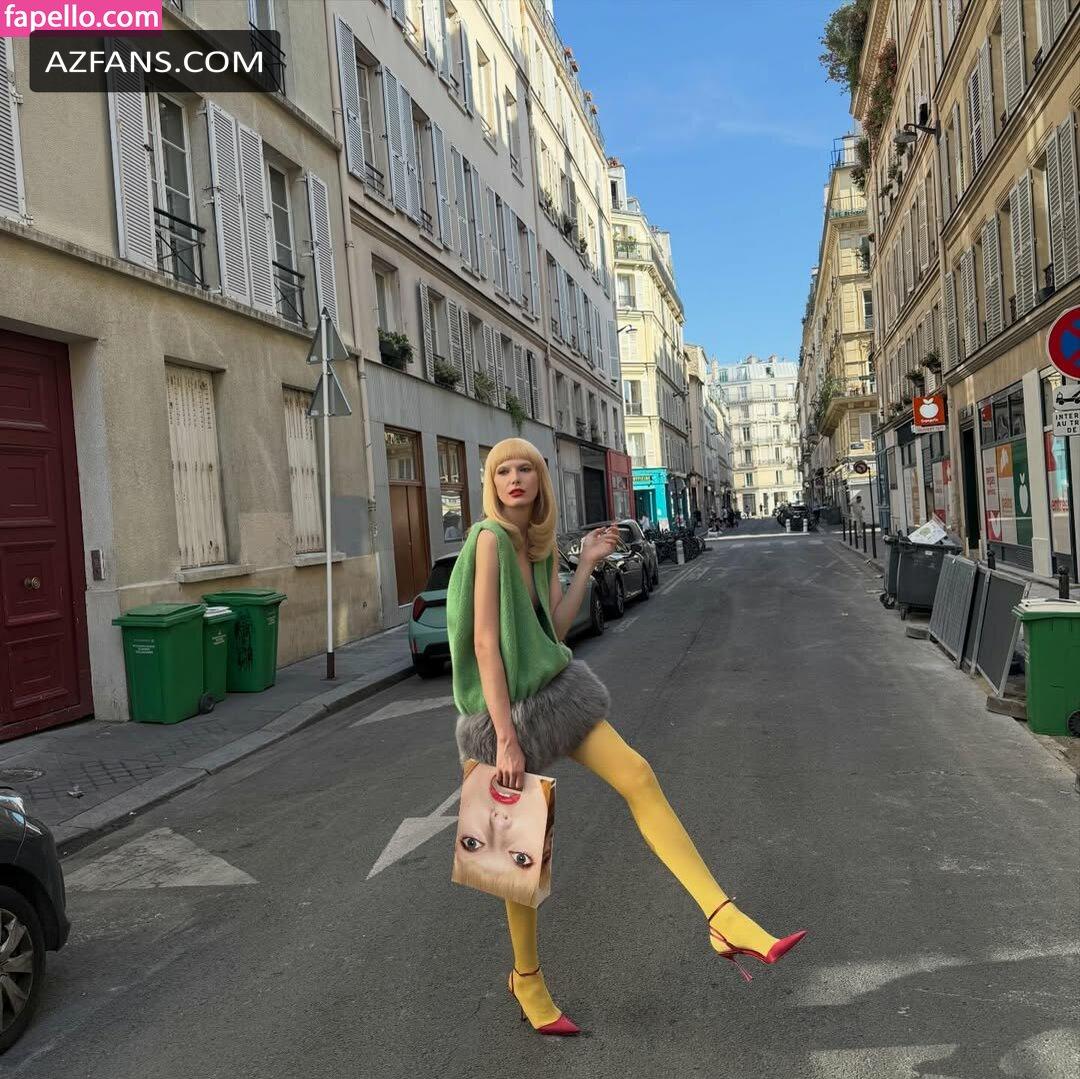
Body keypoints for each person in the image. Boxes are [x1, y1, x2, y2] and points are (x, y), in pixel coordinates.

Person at [446, 437, 807, 1037]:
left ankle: (722, 917)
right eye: (502, 470)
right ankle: (526, 978)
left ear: (539, 480)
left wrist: (586, 562)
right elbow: (486, 641)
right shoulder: (488, 539)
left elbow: (555, 628)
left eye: (525, 468)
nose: (514, 478)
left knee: (637, 774)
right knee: (518, 852)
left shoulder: (534, 545)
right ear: (491, 483)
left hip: (554, 691)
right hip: (502, 712)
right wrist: (505, 737)